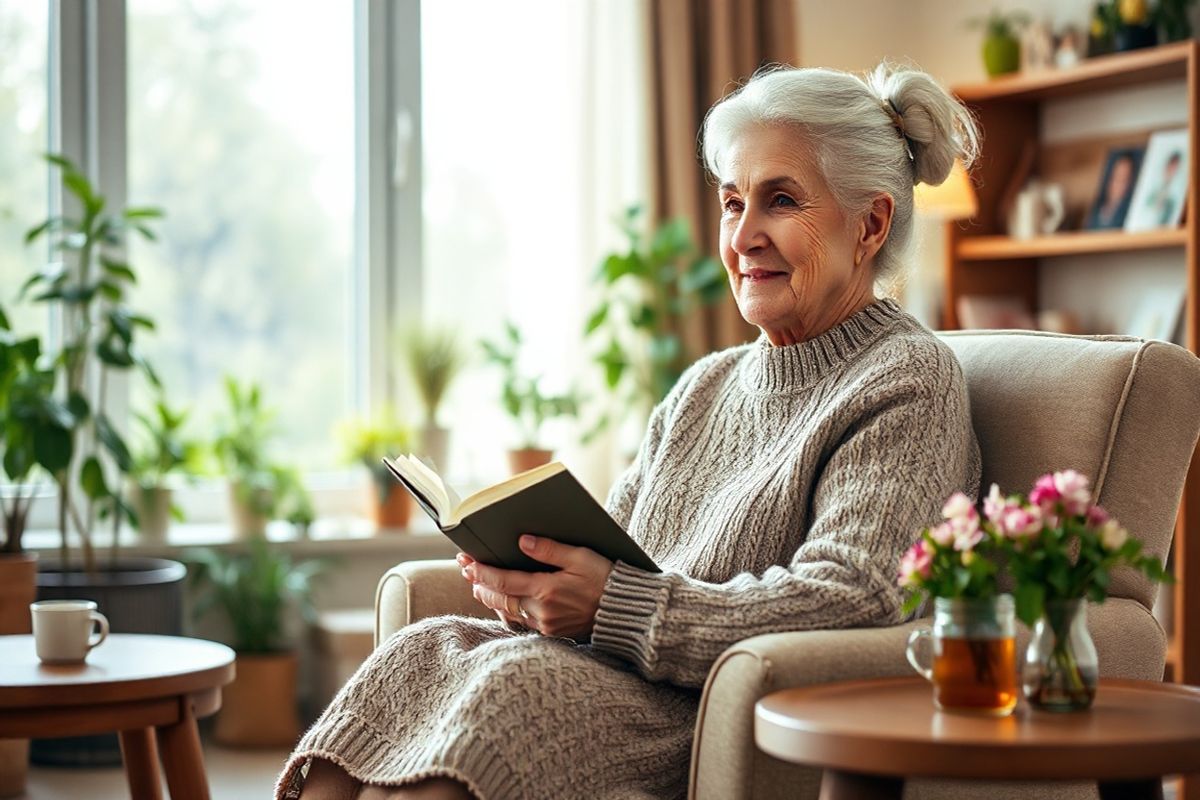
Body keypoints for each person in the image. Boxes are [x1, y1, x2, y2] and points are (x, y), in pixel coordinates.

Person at [278, 62, 982, 800]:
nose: (743, 237)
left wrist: (614, 604)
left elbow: (854, 598)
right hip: (611, 668)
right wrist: (532, 586)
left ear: (870, 223)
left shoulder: (906, 380)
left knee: (500, 705)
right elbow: (613, 549)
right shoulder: (702, 387)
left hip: (697, 705)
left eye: (780, 201)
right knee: (419, 653)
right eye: (732, 202)